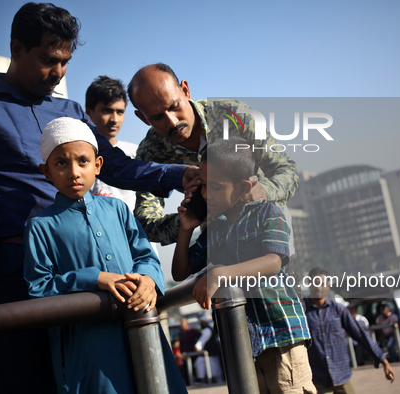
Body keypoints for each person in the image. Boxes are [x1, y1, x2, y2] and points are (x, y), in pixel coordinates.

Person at [0, 4, 195, 393]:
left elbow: (118, 167)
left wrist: (183, 174)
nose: (57, 72)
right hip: (17, 273)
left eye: (65, 62)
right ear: (16, 48)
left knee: (109, 378)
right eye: (48, 59)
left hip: (95, 268)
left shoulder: (71, 110)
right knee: (29, 380)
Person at [23, 117, 186, 394]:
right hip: (89, 344)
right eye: (61, 163)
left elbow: (146, 256)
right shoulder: (40, 226)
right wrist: (93, 278)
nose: (74, 172)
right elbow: (38, 288)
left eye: (83, 161)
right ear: (46, 171)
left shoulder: (117, 210)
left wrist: (148, 281)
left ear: (98, 165)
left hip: (141, 325)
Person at [172, 137, 316, 394]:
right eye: (203, 186)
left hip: (281, 334)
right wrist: (185, 230)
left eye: (215, 187)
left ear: (242, 187)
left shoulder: (269, 213)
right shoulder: (214, 229)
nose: (206, 195)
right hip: (244, 343)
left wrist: (220, 273)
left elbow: (273, 261)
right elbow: (180, 272)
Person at [128, 63, 299, 246]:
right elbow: (146, 222)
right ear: (143, 118)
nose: (172, 121)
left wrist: (264, 191)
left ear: (185, 90)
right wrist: (191, 217)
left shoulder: (235, 118)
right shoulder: (151, 152)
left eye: (175, 106)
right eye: (157, 117)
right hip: (217, 243)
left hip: (267, 231)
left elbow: (287, 170)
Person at [305, 268, 395, 394]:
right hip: (318, 379)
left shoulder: (338, 310)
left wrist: (383, 360)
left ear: (328, 285)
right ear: (309, 284)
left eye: (322, 283)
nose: (319, 287)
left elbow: (360, 334)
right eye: (315, 283)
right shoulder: (302, 312)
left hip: (342, 376)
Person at [85, 76, 137, 204]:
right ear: (89, 113)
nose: (114, 119)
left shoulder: (135, 153)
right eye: (107, 111)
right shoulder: (78, 155)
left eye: (120, 112)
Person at [193, 318, 223, 384]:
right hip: (212, 352)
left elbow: (203, 340)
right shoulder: (210, 329)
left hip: (210, 353)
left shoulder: (207, 330)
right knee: (216, 370)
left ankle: (202, 379)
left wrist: (198, 346)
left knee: (200, 362)